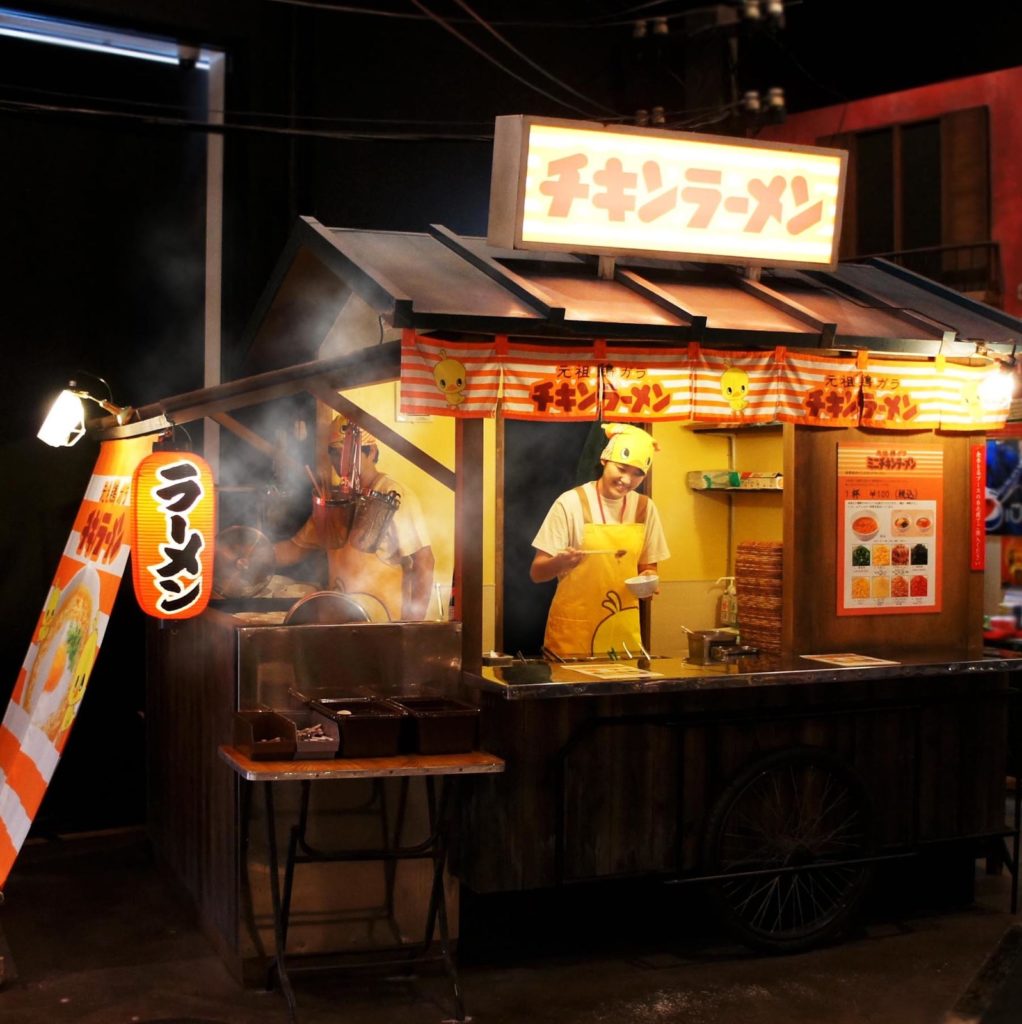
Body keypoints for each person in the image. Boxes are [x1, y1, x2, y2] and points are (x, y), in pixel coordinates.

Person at [274, 415, 435, 621]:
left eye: (349, 454)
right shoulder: (333, 501)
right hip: (339, 622)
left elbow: (425, 562)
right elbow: (295, 549)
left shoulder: (393, 494)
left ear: (372, 452)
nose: (341, 463)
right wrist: (252, 554)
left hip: (384, 624)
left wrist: (414, 624)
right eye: (334, 453)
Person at [530, 423, 669, 659]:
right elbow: (537, 572)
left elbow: (647, 566)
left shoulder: (645, 508)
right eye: (622, 468)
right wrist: (560, 563)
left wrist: (648, 580)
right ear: (605, 460)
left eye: (638, 473)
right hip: (573, 634)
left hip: (622, 631)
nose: (627, 479)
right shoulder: (570, 503)